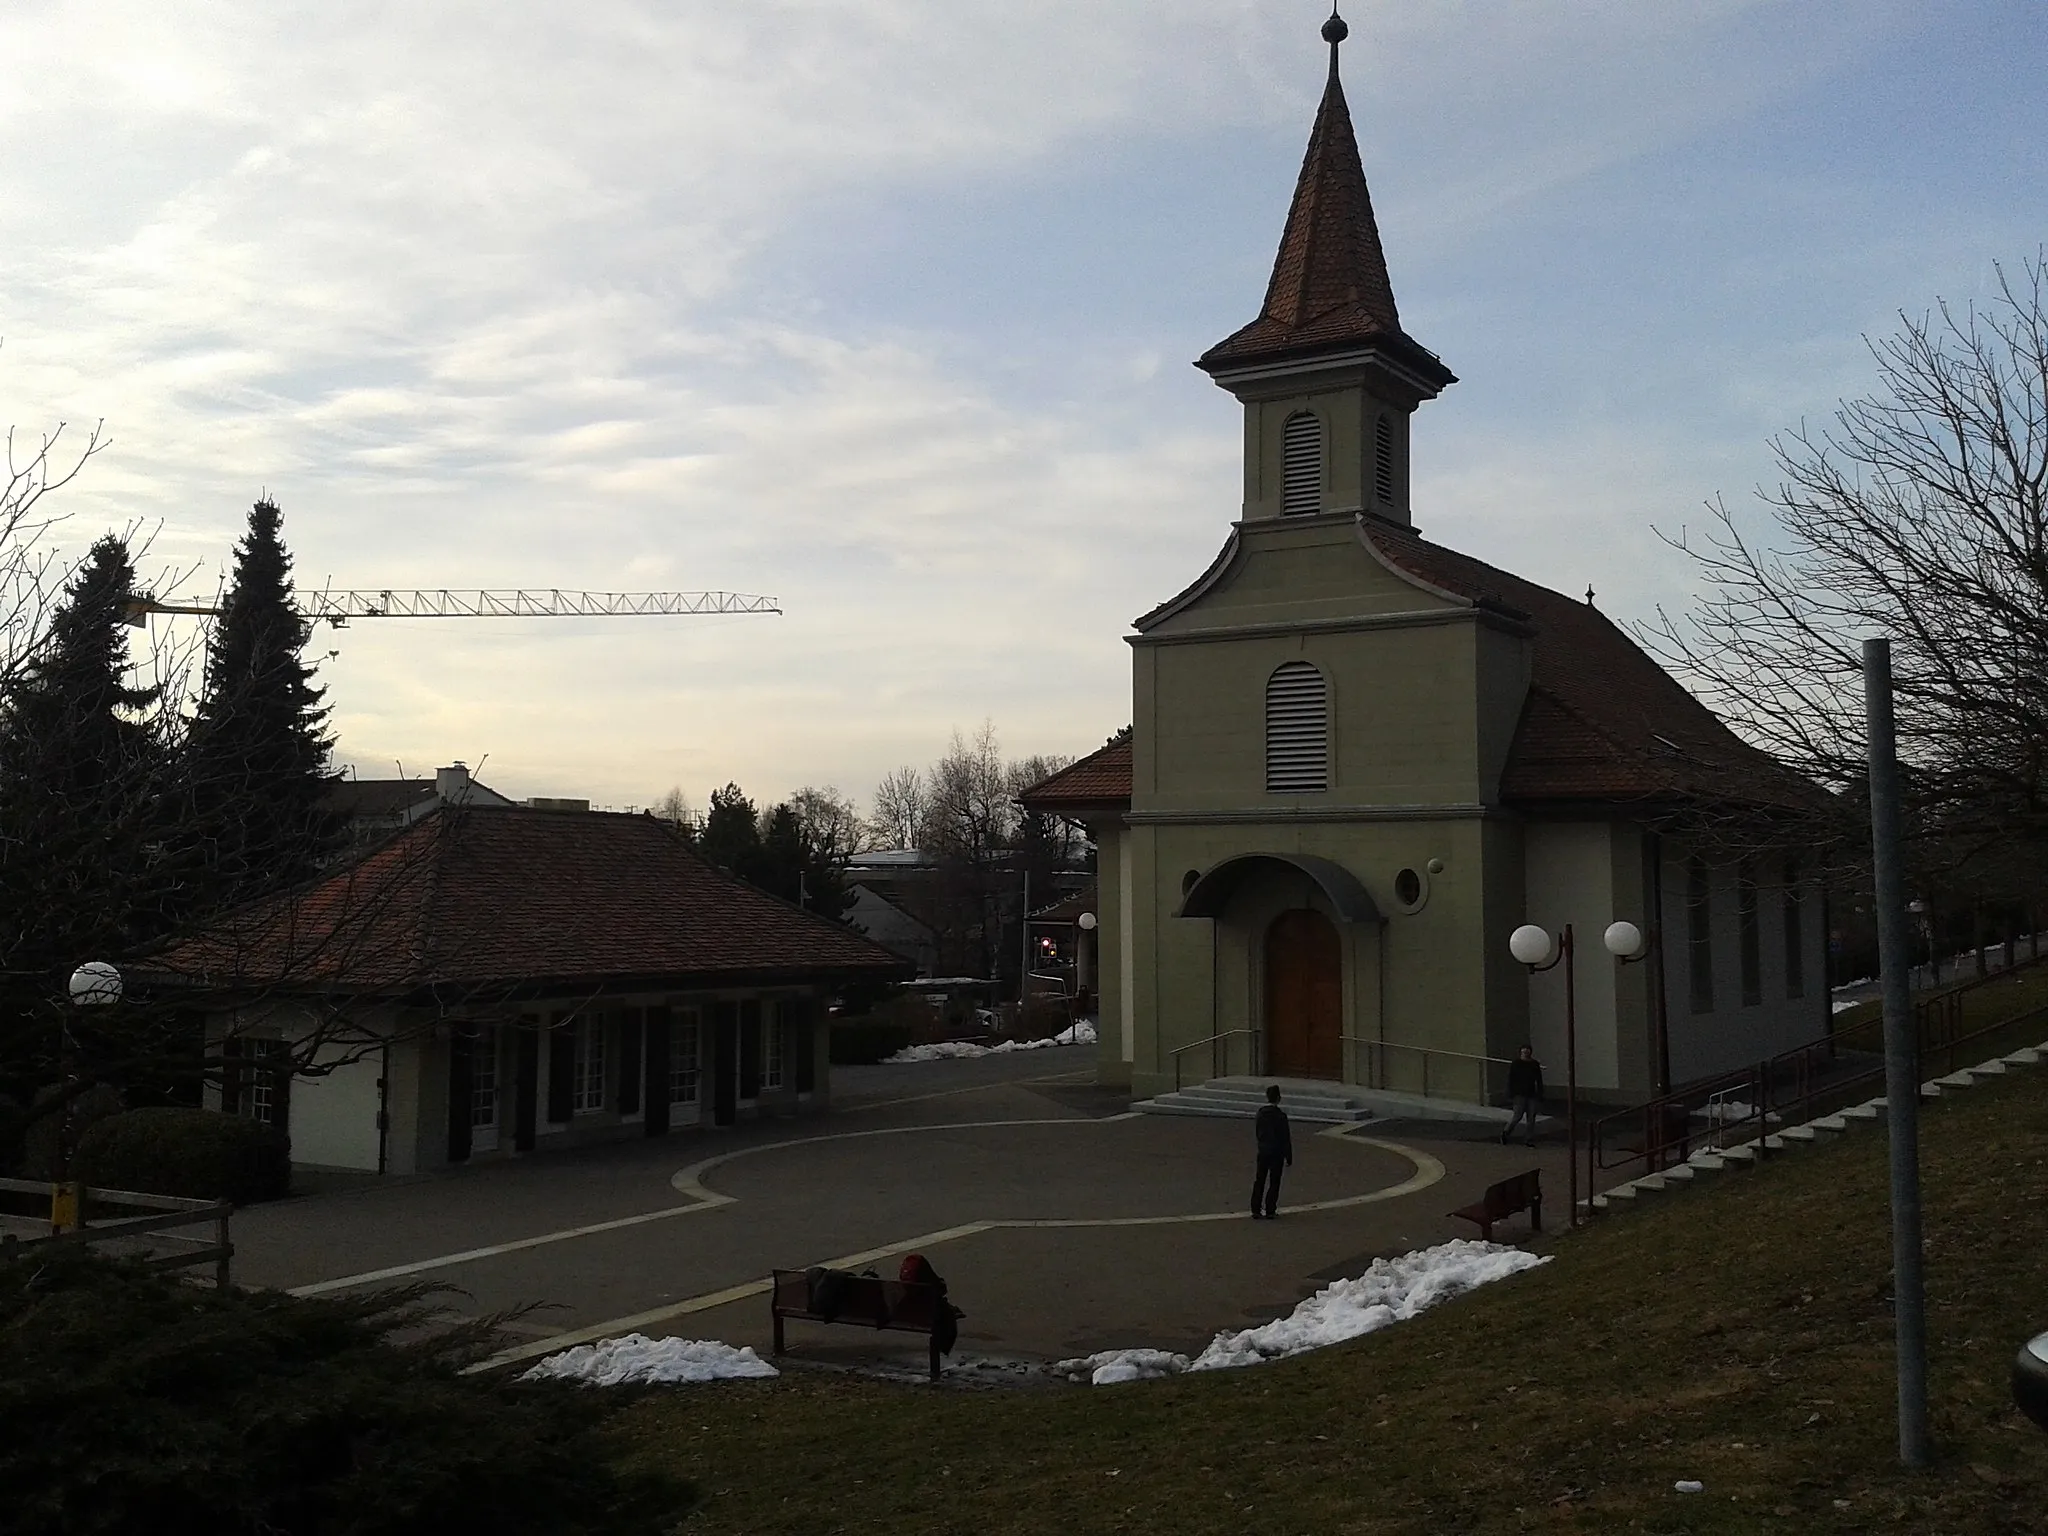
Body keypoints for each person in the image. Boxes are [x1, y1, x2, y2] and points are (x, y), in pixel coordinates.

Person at [1251, 1084, 1292, 1219]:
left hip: (1263, 1150)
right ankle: (1270, 1209)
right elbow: (1285, 1137)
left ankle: (1255, 1208)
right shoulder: (1281, 1116)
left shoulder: (1261, 1113)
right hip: (1277, 1152)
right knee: (1274, 1181)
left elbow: (1258, 1132)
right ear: (1278, 1098)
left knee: (1259, 1180)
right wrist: (1288, 1155)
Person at [1502, 1045, 1543, 1146]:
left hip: (1531, 1094)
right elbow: (1511, 1078)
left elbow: (1539, 1079)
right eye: (1524, 1052)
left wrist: (1540, 1093)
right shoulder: (1516, 1064)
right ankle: (1506, 1133)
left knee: (1531, 1118)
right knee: (1517, 1116)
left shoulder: (1534, 1064)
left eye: (1527, 1052)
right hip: (1519, 1094)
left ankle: (1528, 1139)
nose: (1525, 1053)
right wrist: (1510, 1092)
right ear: (1520, 1053)